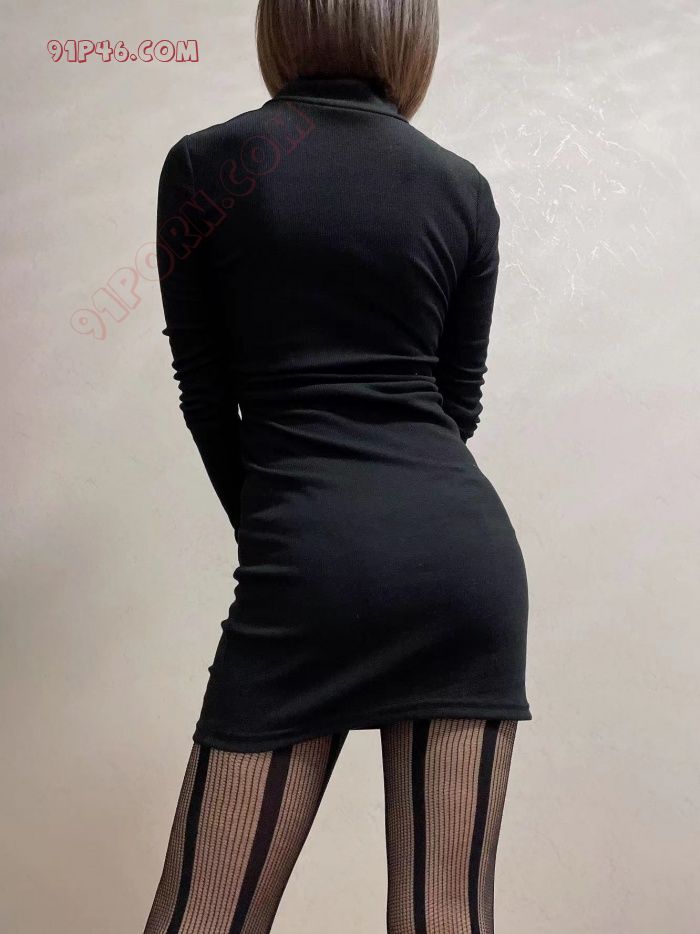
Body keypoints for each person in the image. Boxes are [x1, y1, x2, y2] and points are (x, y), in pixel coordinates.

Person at [144, 1, 532, 931]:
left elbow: (206, 396)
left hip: (307, 558)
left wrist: (291, 527)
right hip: (463, 568)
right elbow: (457, 403)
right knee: (446, 914)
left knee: (206, 916)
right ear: (410, 34)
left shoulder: (207, 165)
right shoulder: (461, 186)